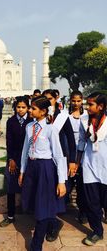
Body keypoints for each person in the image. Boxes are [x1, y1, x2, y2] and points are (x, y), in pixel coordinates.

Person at [18, 95, 67, 251]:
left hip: (45, 168)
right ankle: (53, 221)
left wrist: (61, 181)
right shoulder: (29, 127)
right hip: (32, 167)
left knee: (43, 205)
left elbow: (59, 155)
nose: (30, 110)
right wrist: (22, 170)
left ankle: (36, 244)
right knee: (33, 202)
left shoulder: (50, 129)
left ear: (43, 111)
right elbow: (25, 150)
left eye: (33, 108)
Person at [42, 89, 76, 242]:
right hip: (45, 160)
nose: (48, 101)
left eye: (50, 99)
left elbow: (71, 140)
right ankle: (51, 222)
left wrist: (72, 161)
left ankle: (53, 224)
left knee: (58, 191)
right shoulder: (41, 117)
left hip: (60, 159)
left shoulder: (62, 117)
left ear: (56, 98)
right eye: (45, 99)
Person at [76, 92, 107, 246]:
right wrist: (76, 162)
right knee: (92, 201)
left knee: (104, 200)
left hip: (105, 167)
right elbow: (81, 142)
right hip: (89, 165)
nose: (87, 107)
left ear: (100, 106)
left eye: (91, 104)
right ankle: (97, 231)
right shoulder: (83, 120)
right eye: (87, 104)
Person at [0, 96, 33, 227]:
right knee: (11, 188)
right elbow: (9, 141)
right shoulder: (11, 121)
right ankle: (11, 215)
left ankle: (30, 211)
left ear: (28, 108)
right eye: (18, 107)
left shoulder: (31, 121)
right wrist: (11, 159)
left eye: (23, 107)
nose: (21, 110)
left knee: (29, 186)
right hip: (14, 158)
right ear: (15, 108)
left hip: (29, 158)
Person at [68, 91, 87, 224]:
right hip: (70, 154)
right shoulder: (66, 117)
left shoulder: (86, 116)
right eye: (73, 101)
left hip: (84, 155)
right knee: (69, 182)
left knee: (82, 185)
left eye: (78, 101)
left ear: (82, 101)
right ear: (70, 101)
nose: (76, 103)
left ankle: (83, 211)